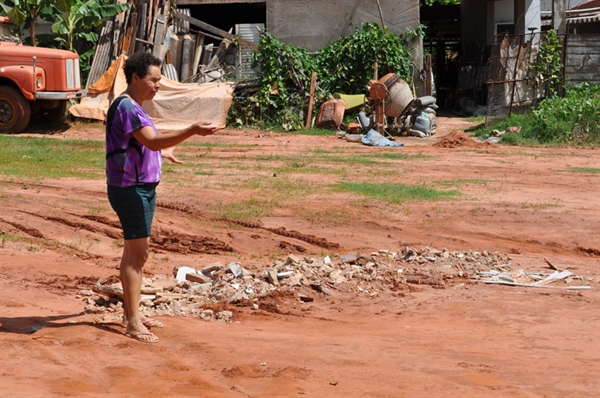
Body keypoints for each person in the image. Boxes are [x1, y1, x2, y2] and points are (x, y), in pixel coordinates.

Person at [105, 51, 219, 343]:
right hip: (131, 189)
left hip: (139, 187)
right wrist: (191, 130)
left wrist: (162, 152)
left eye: (159, 80)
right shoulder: (129, 107)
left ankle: (131, 313)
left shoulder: (135, 106)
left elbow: (143, 144)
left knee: (132, 253)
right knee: (138, 255)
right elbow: (151, 140)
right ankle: (132, 322)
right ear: (135, 78)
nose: (158, 85)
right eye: (153, 80)